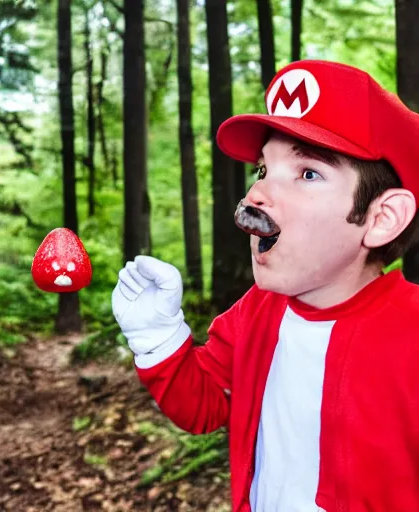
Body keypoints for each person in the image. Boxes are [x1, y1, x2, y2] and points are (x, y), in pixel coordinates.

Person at [111, 60, 419, 512]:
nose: (256, 195)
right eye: (262, 171)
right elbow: (205, 407)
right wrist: (156, 336)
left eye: (308, 173)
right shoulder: (257, 310)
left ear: (380, 218)